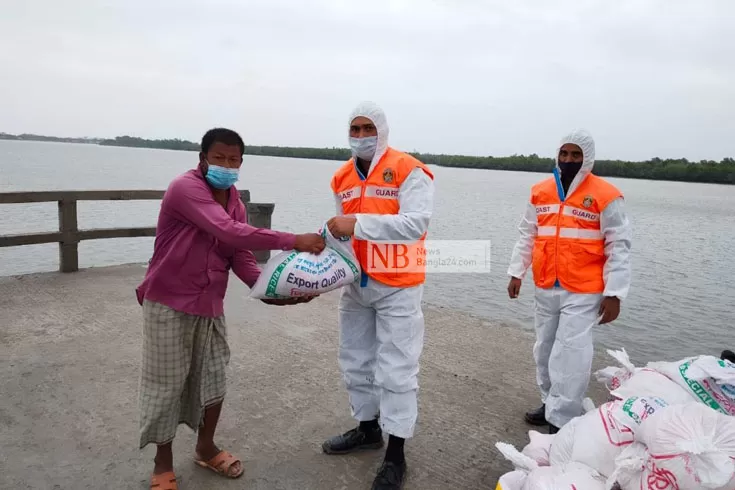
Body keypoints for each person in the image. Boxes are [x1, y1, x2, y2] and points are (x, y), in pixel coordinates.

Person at [135, 127, 325, 490]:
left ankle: (205, 448)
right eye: (218, 158)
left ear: (241, 163)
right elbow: (229, 231)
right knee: (166, 385)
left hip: (209, 305)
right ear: (202, 158)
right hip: (168, 302)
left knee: (213, 378)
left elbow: (239, 254)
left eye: (233, 159)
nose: (226, 165)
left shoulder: (235, 202)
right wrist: (293, 240)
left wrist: (274, 290)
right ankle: (162, 462)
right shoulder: (185, 188)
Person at [322, 101, 435, 490]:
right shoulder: (341, 177)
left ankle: (395, 455)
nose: (360, 136)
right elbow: (340, 232)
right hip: (356, 284)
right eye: (354, 129)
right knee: (354, 360)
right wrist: (326, 269)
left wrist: (358, 223)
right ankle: (368, 428)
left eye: (367, 128)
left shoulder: (409, 170)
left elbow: (415, 224)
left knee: (397, 370)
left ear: (382, 130)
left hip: (399, 286)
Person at [506, 129, 631, 434]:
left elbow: (619, 245)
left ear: (587, 157)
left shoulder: (606, 195)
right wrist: (516, 272)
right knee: (545, 349)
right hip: (547, 283)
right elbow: (528, 234)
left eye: (576, 155)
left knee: (571, 353)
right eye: (564, 154)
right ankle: (550, 403)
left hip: (584, 289)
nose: (569, 160)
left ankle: (562, 419)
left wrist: (614, 293)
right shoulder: (541, 191)